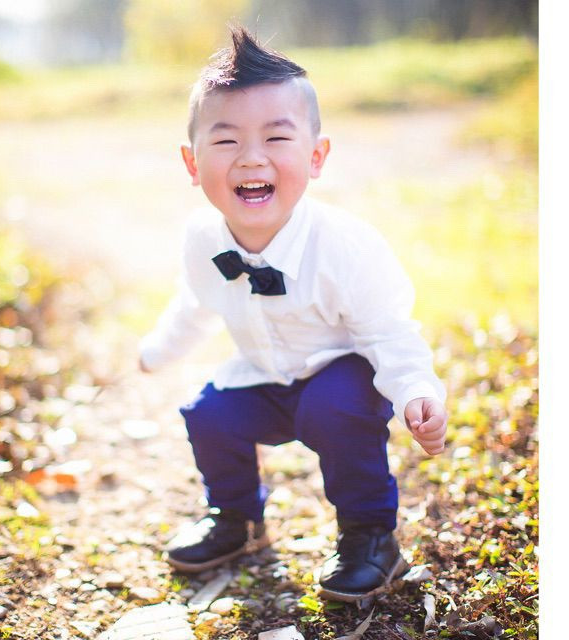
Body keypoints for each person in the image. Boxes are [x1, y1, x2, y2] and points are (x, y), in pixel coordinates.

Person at [138, 25, 447, 603]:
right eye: (226, 141)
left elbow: (389, 333)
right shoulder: (202, 238)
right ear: (191, 162)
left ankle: (369, 535)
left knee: (336, 409)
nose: (251, 157)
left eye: (277, 137)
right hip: (264, 374)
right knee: (209, 413)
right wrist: (157, 350)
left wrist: (415, 389)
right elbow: (195, 302)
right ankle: (235, 517)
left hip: (341, 374)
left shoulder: (347, 246)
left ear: (316, 155)